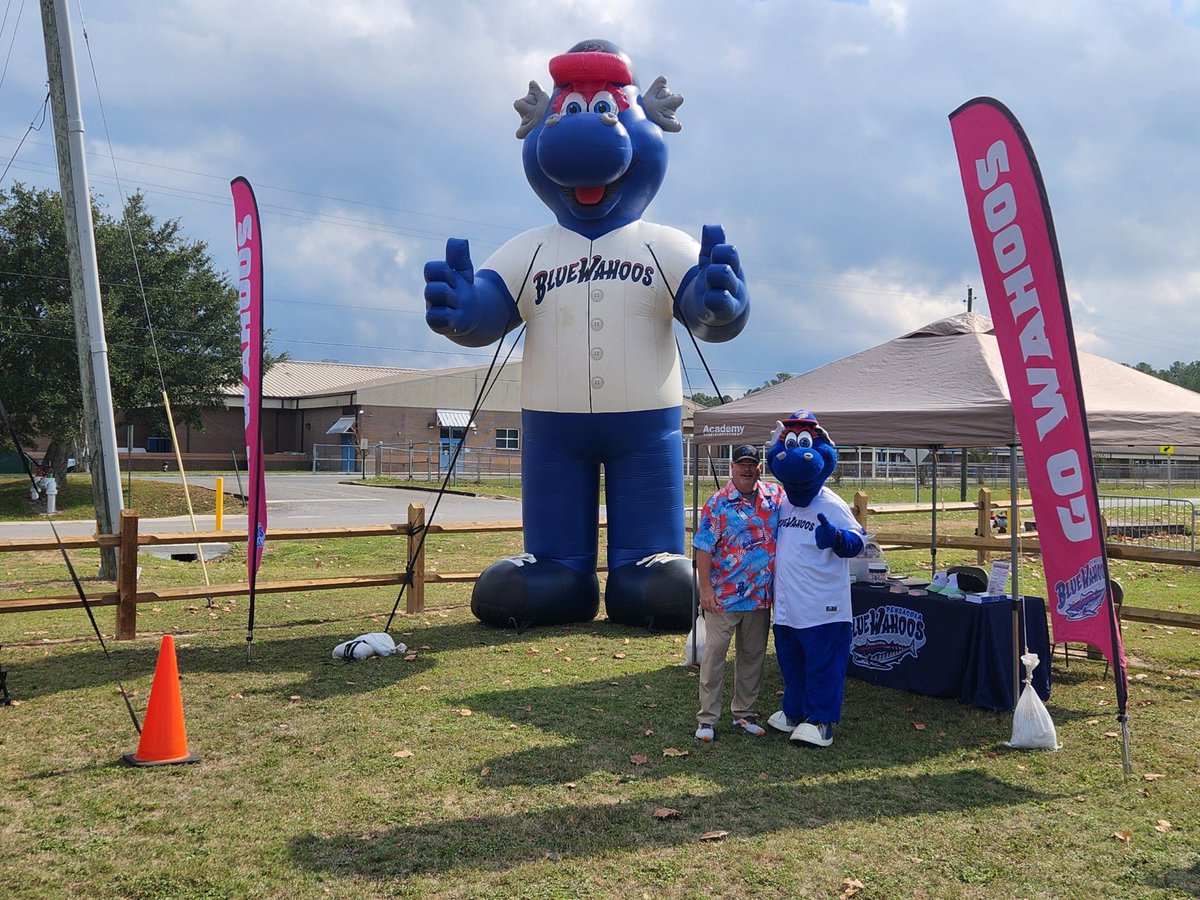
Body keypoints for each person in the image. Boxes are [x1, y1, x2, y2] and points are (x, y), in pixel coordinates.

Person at [764, 411, 865, 748]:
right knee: (792, 664)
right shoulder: (783, 503)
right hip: (788, 606)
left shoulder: (830, 503)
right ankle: (794, 711)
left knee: (822, 665)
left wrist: (836, 538)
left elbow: (859, 542)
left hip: (824, 607)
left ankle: (821, 721)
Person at [691, 444, 784, 741]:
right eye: (741, 464)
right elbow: (703, 548)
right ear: (732, 467)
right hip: (723, 596)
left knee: (752, 657)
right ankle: (707, 719)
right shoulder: (718, 503)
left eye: (752, 464)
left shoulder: (775, 497)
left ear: (760, 468)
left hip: (759, 597)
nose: (747, 469)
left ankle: (744, 714)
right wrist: (705, 589)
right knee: (714, 657)